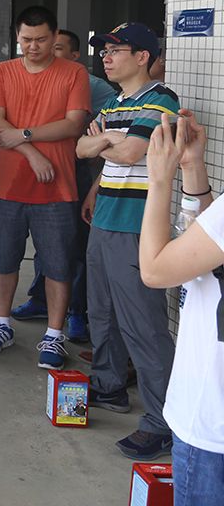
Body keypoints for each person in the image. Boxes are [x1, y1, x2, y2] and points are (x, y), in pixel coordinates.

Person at [75, 23, 178, 461]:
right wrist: (106, 141)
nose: (106, 57)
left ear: (142, 57)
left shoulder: (160, 100)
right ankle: (109, 385)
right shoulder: (116, 102)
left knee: (143, 326)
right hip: (105, 220)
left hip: (138, 226)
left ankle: (163, 422)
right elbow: (81, 149)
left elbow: (131, 153)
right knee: (101, 312)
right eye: (104, 50)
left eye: (116, 50)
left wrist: (101, 142)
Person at [0, 5, 90, 369]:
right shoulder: (2, 72)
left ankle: (54, 335)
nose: (33, 46)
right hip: (7, 187)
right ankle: (1, 325)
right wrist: (32, 153)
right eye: (26, 39)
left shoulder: (74, 73)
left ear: (55, 36)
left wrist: (24, 134)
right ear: (17, 36)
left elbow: (73, 124)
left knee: (58, 264)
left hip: (57, 190)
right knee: (3, 259)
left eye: (41, 39)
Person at [139, 108, 224, 502]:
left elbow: (155, 270)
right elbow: (207, 248)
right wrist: (193, 168)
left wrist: (160, 179)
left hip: (211, 427)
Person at [13, 28, 115, 341]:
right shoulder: (33, 78)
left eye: (57, 48)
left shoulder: (94, 86)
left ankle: (76, 312)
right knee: (47, 241)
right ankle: (41, 299)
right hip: (39, 168)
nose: (46, 51)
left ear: (74, 56)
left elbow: (104, 131)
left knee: (74, 244)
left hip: (76, 170)